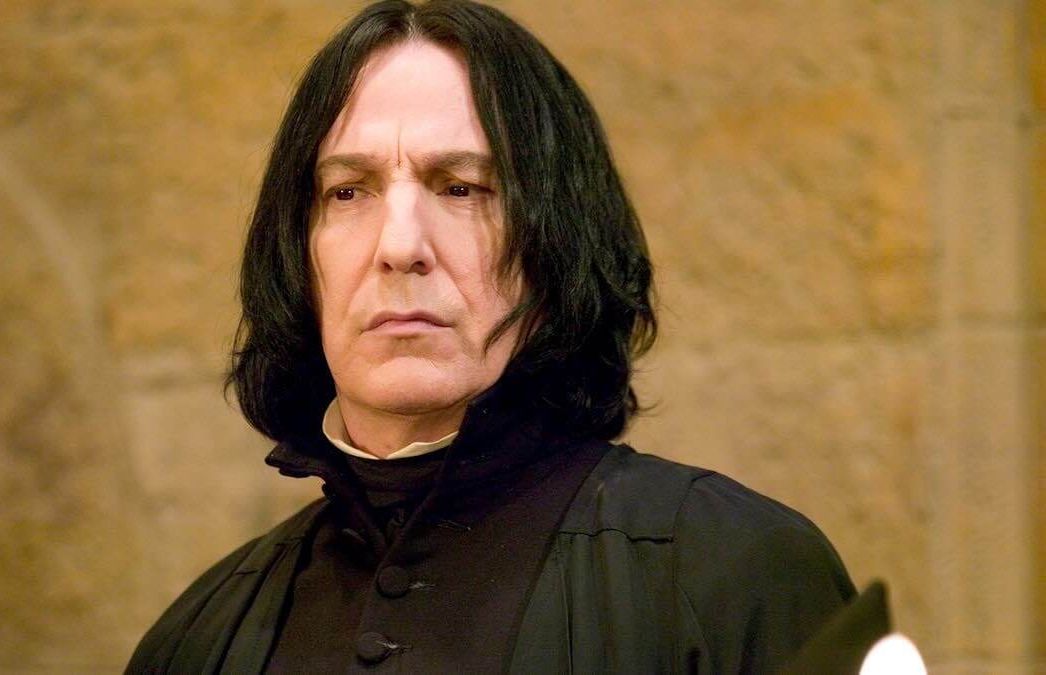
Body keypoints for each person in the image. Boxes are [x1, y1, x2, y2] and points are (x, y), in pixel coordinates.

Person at [126, 1, 856, 672]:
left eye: (461, 187)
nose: (400, 246)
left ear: (556, 241)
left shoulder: (739, 576)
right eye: (347, 191)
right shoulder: (197, 641)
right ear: (297, 249)